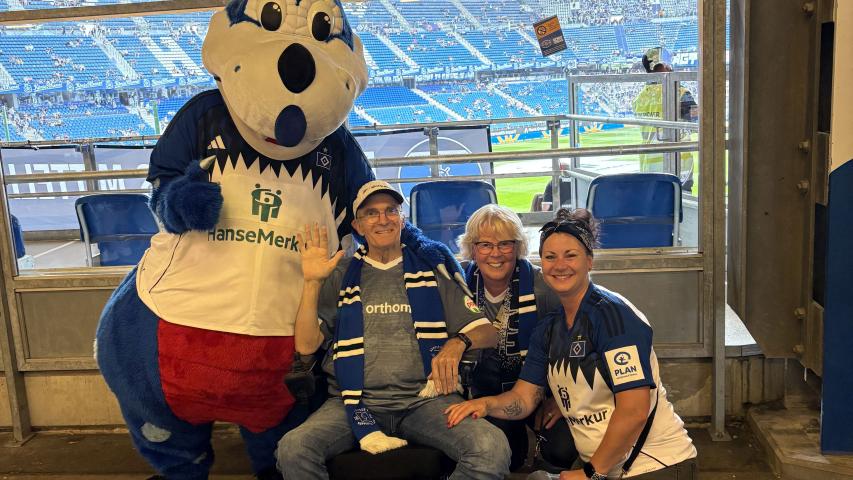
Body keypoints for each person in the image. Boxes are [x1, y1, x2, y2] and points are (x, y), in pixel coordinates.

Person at [277, 180, 511, 479]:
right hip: (352, 402)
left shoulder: (433, 269)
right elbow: (306, 346)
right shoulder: (340, 275)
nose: (383, 219)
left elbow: (487, 332)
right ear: (358, 226)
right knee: (293, 449)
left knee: (490, 447)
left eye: (391, 210)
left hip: (427, 401)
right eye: (371, 213)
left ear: (403, 219)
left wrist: (458, 342)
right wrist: (312, 282)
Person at [447, 208, 698, 479]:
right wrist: (486, 404)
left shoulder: (613, 316)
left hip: (654, 464)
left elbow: (634, 411)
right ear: (541, 264)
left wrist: (589, 473)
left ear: (589, 261)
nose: (559, 265)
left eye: (570, 255)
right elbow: (524, 398)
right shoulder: (549, 327)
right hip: (606, 468)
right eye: (550, 257)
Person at [457, 204, 578, 472]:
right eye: (485, 244)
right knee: (505, 453)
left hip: (540, 391)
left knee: (562, 448)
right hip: (483, 394)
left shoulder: (544, 287)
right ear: (472, 248)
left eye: (505, 244)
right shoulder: (458, 284)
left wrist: (563, 398)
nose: (495, 253)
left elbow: (573, 347)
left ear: (518, 246)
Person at [632, 47, 698, 192]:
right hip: (678, 166)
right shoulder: (679, 93)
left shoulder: (639, 98)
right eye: (667, 63)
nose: (670, 67)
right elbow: (698, 120)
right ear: (661, 65)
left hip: (649, 167)